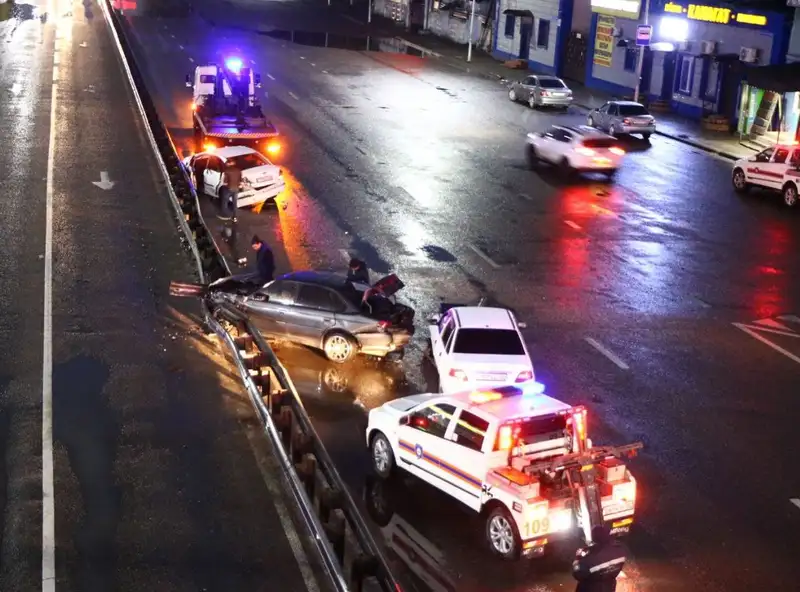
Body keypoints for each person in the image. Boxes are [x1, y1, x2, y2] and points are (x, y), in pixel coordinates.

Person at [572, 525, 627, 592]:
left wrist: (577, 560)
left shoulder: (590, 560)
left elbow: (578, 575)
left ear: (594, 538)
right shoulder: (620, 551)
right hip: (610, 587)